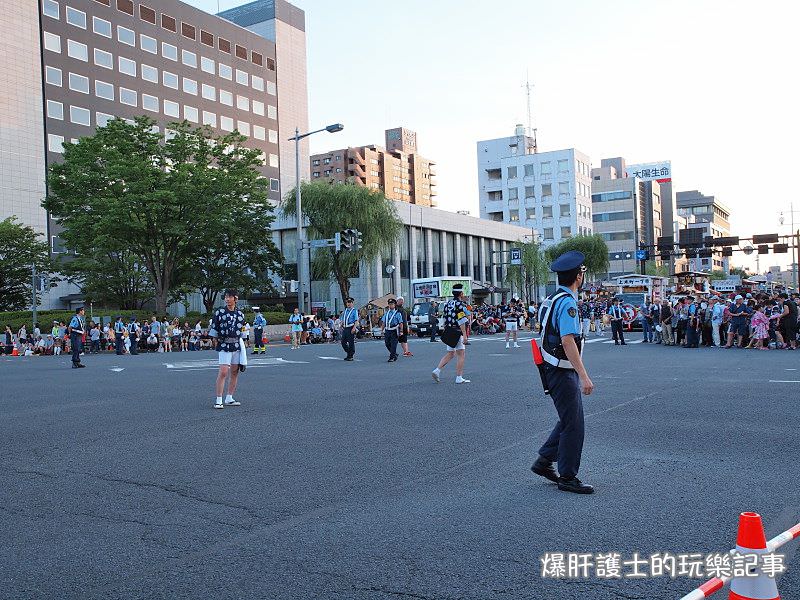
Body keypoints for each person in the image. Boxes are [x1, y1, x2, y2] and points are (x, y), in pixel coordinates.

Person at [531, 251, 594, 494]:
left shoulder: (551, 299)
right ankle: (567, 476)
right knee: (574, 425)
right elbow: (568, 341)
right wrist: (584, 376)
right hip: (561, 369)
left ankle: (544, 461)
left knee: (569, 419)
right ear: (578, 277)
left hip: (550, 366)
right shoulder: (568, 303)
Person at [210, 289, 246, 409]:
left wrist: (245, 343)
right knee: (224, 371)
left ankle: (229, 397)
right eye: (226, 297)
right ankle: (218, 399)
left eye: (229, 297)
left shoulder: (240, 314)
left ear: (235, 298)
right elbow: (214, 327)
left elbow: (243, 330)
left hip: (236, 344)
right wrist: (214, 340)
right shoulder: (219, 312)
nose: (227, 299)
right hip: (224, 344)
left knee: (235, 372)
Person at [431, 283, 471, 384]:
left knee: (450, 353)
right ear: (461, 293)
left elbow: (444, 318)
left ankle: (437, 370)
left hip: (449, 330)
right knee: (461, 354)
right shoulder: (460, 304)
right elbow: (461, 320)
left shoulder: (448, 303)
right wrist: (465, 336)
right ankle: (459, 377)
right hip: (457, 331)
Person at [381, 298, 403, 362]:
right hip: (388, 330)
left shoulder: (397, 313)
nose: (390, 306)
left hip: (394, 330)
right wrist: (382, 330)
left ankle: (392, 357)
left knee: (393, 344)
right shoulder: (386, 313)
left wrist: (401, 331)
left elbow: (401, 323)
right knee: (387, 343)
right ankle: (394, 354)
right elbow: (383, 322)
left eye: (392, 304)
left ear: (395, 305)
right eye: (389, 304)